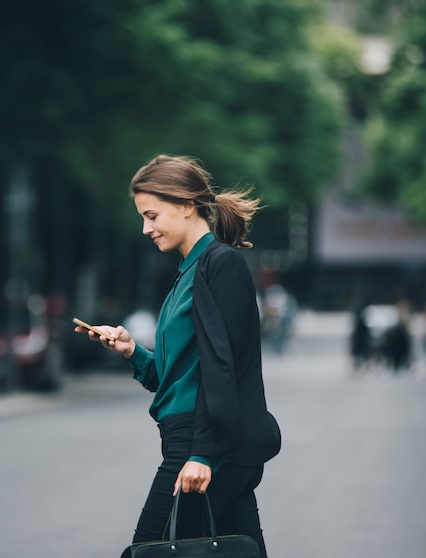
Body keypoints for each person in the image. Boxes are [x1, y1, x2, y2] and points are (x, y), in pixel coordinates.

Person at [75, 154, 281, 557]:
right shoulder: (188, 272)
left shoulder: (220, 264)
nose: (145, 228)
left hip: (203, 444)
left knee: (147, 551)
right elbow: (178, 377)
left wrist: (203, 453)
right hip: (200, 441)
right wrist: (133, 352)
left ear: (187, 205)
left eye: (152, 215)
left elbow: (223, 368)